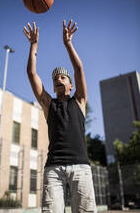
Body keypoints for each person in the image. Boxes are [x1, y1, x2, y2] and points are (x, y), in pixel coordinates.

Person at [23, 20, 97, 213]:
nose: (58, 79)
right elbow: (32, 74)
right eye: (55, 78)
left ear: (71, 85)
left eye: (63, 77)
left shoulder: (79, 101)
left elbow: (79, 69)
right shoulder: (49, 104)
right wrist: (33, 46)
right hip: (53, 169)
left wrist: (68, 44)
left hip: (81, 167)